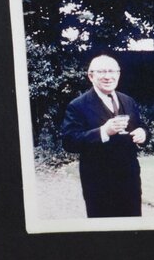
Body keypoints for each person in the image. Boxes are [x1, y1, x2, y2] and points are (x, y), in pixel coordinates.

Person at [61, 55, 147, 217]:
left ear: (119, 74)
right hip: (98, 183)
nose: (108, 76)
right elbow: (69, 141)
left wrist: (143, 134)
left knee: (133, 230)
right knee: (103, 236)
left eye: (112, 71)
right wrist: (103, 132)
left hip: (130, 180)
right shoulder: (77, 105)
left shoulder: (128, 101)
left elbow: (141, 126)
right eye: (102, 71)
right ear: (91, 76)